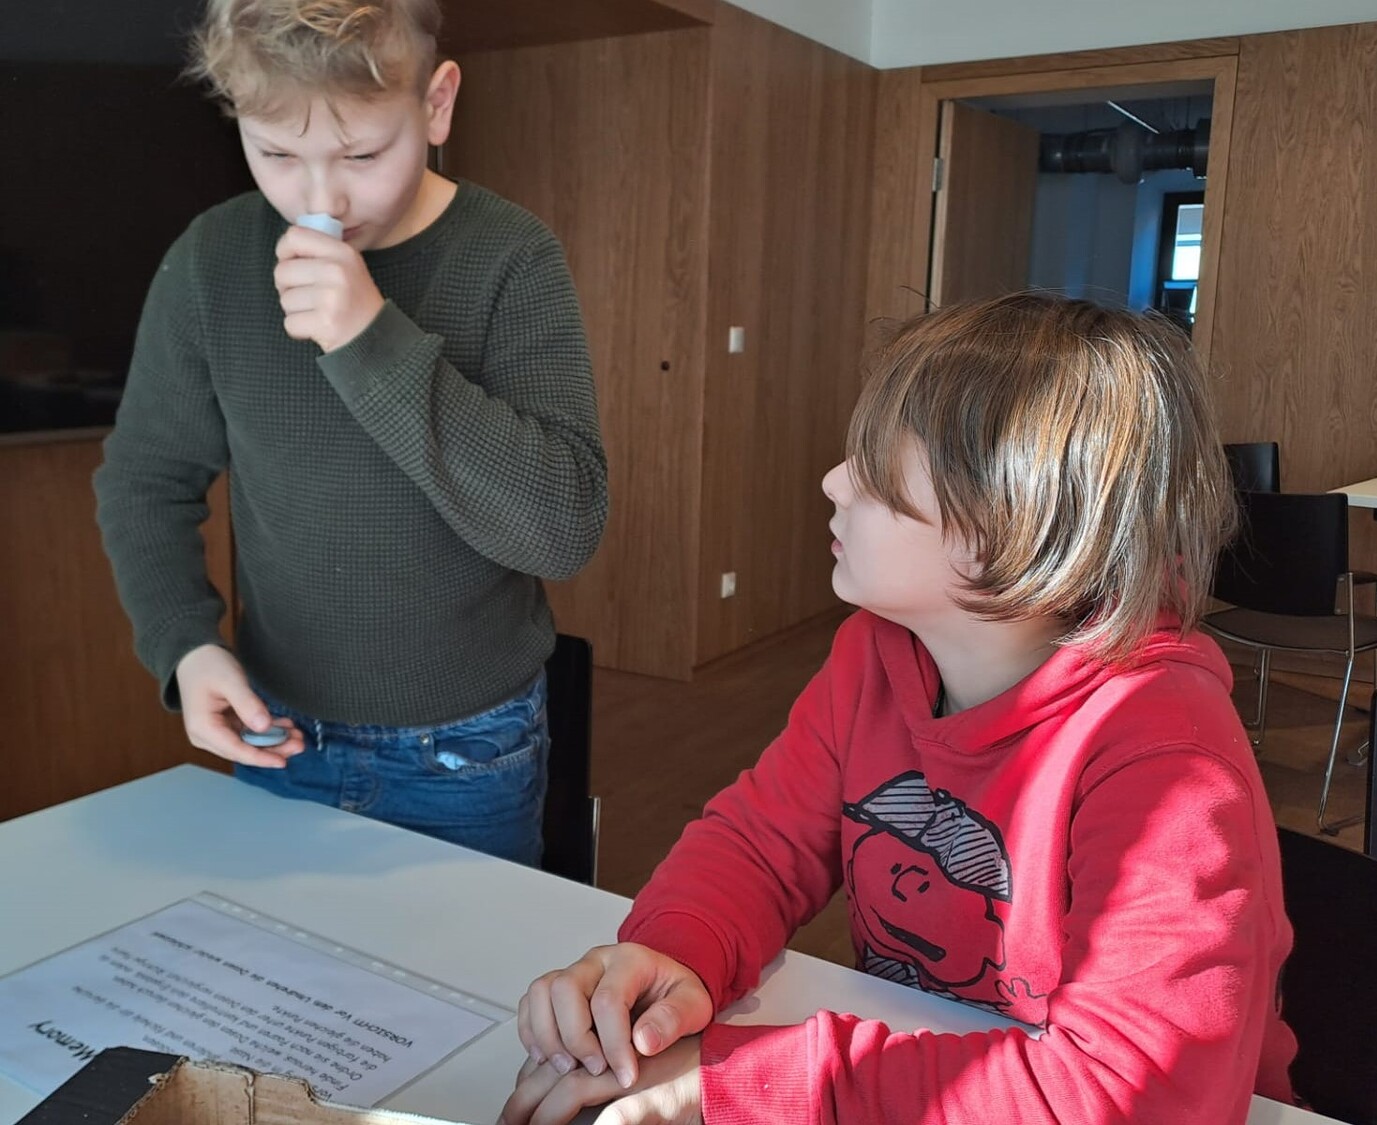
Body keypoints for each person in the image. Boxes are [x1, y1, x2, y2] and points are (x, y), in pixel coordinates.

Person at [501, 294, 1297, 1124]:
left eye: (878, 473)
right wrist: (671, 956)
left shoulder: (1167, 757)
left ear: (1013, 523)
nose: (834, 482)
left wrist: (739, 1081)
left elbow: (1133, 1094)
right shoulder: (876, 657)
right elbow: (762, 845)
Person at [93, 0, 606, 864]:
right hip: (279, 729)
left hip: (467, 747)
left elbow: (564, 528)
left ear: (437, 104)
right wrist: (184, 644)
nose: (319, 200)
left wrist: (369, 338)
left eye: (362, 155)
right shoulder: (211, 259)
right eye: (276, 153)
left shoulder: (513, 257)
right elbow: (145, 481)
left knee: (461, 955)